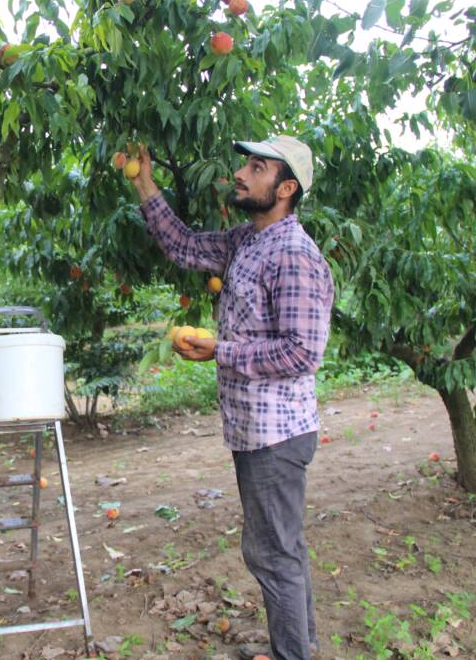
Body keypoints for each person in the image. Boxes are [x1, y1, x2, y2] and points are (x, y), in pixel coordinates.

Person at [130, 136, 334, 660]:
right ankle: (301, 647)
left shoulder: (294, 256)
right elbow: (182, 245)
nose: (242, 173)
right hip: (254, 428)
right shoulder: (247, 240)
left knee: (271, 554)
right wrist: (144, 182)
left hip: (276, 434)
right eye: (246, 162)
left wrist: (222, 350)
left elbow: (300, 353)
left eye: (257, 167)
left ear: (285, 188)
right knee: (282, 549)